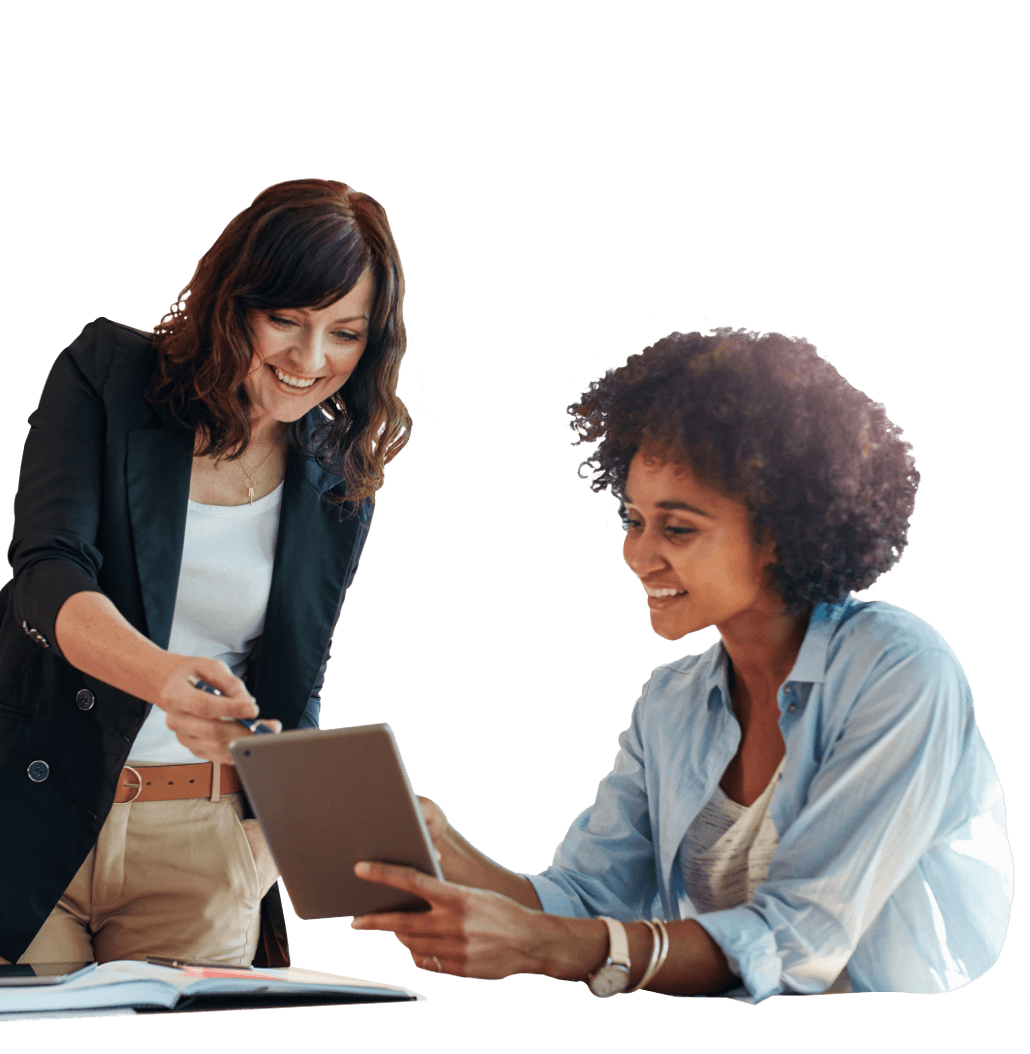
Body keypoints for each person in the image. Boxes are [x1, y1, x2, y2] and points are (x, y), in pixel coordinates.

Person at [350, 330, 1013, 1002]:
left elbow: (797, 942)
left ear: (779, 532)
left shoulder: (897, 668)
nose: (639, 556)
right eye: (632, 520)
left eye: (678, 528)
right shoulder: (673, 699)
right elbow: (584, 902)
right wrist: (443, 848)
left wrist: (540, 946)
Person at [0, 178, 412, 970]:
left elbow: (293, 675)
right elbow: (47, 571)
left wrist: (267, 846)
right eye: (285, 321)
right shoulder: (109, 375)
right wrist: (164, 677)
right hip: (24, 817)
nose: (311, 361)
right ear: (233, 300)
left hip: (203, 849)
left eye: (344, 334)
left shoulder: (338, 476)